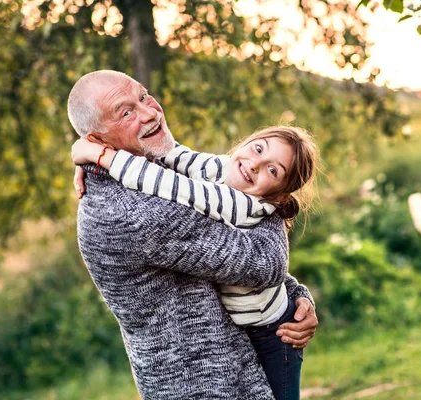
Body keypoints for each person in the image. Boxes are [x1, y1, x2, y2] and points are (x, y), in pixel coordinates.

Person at [67, 69, 318, 400]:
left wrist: (295, 295)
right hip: (205, 385)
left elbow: (231, 231)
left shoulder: (150, 164)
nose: (150, 112)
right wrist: (273, 198)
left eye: (143, 96)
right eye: (126, 112)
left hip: (234, 370)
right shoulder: (134, 211)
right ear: (97, 139)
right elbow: (262, 261)